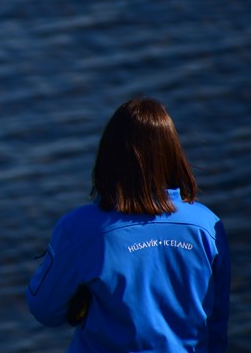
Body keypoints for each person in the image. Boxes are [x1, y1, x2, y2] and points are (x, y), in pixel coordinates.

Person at [27, 97, 231, 351]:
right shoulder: (208, 227)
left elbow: (45, 310)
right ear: (172, 155)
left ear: (109, 157)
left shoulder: (78, 229)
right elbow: (218, 318)